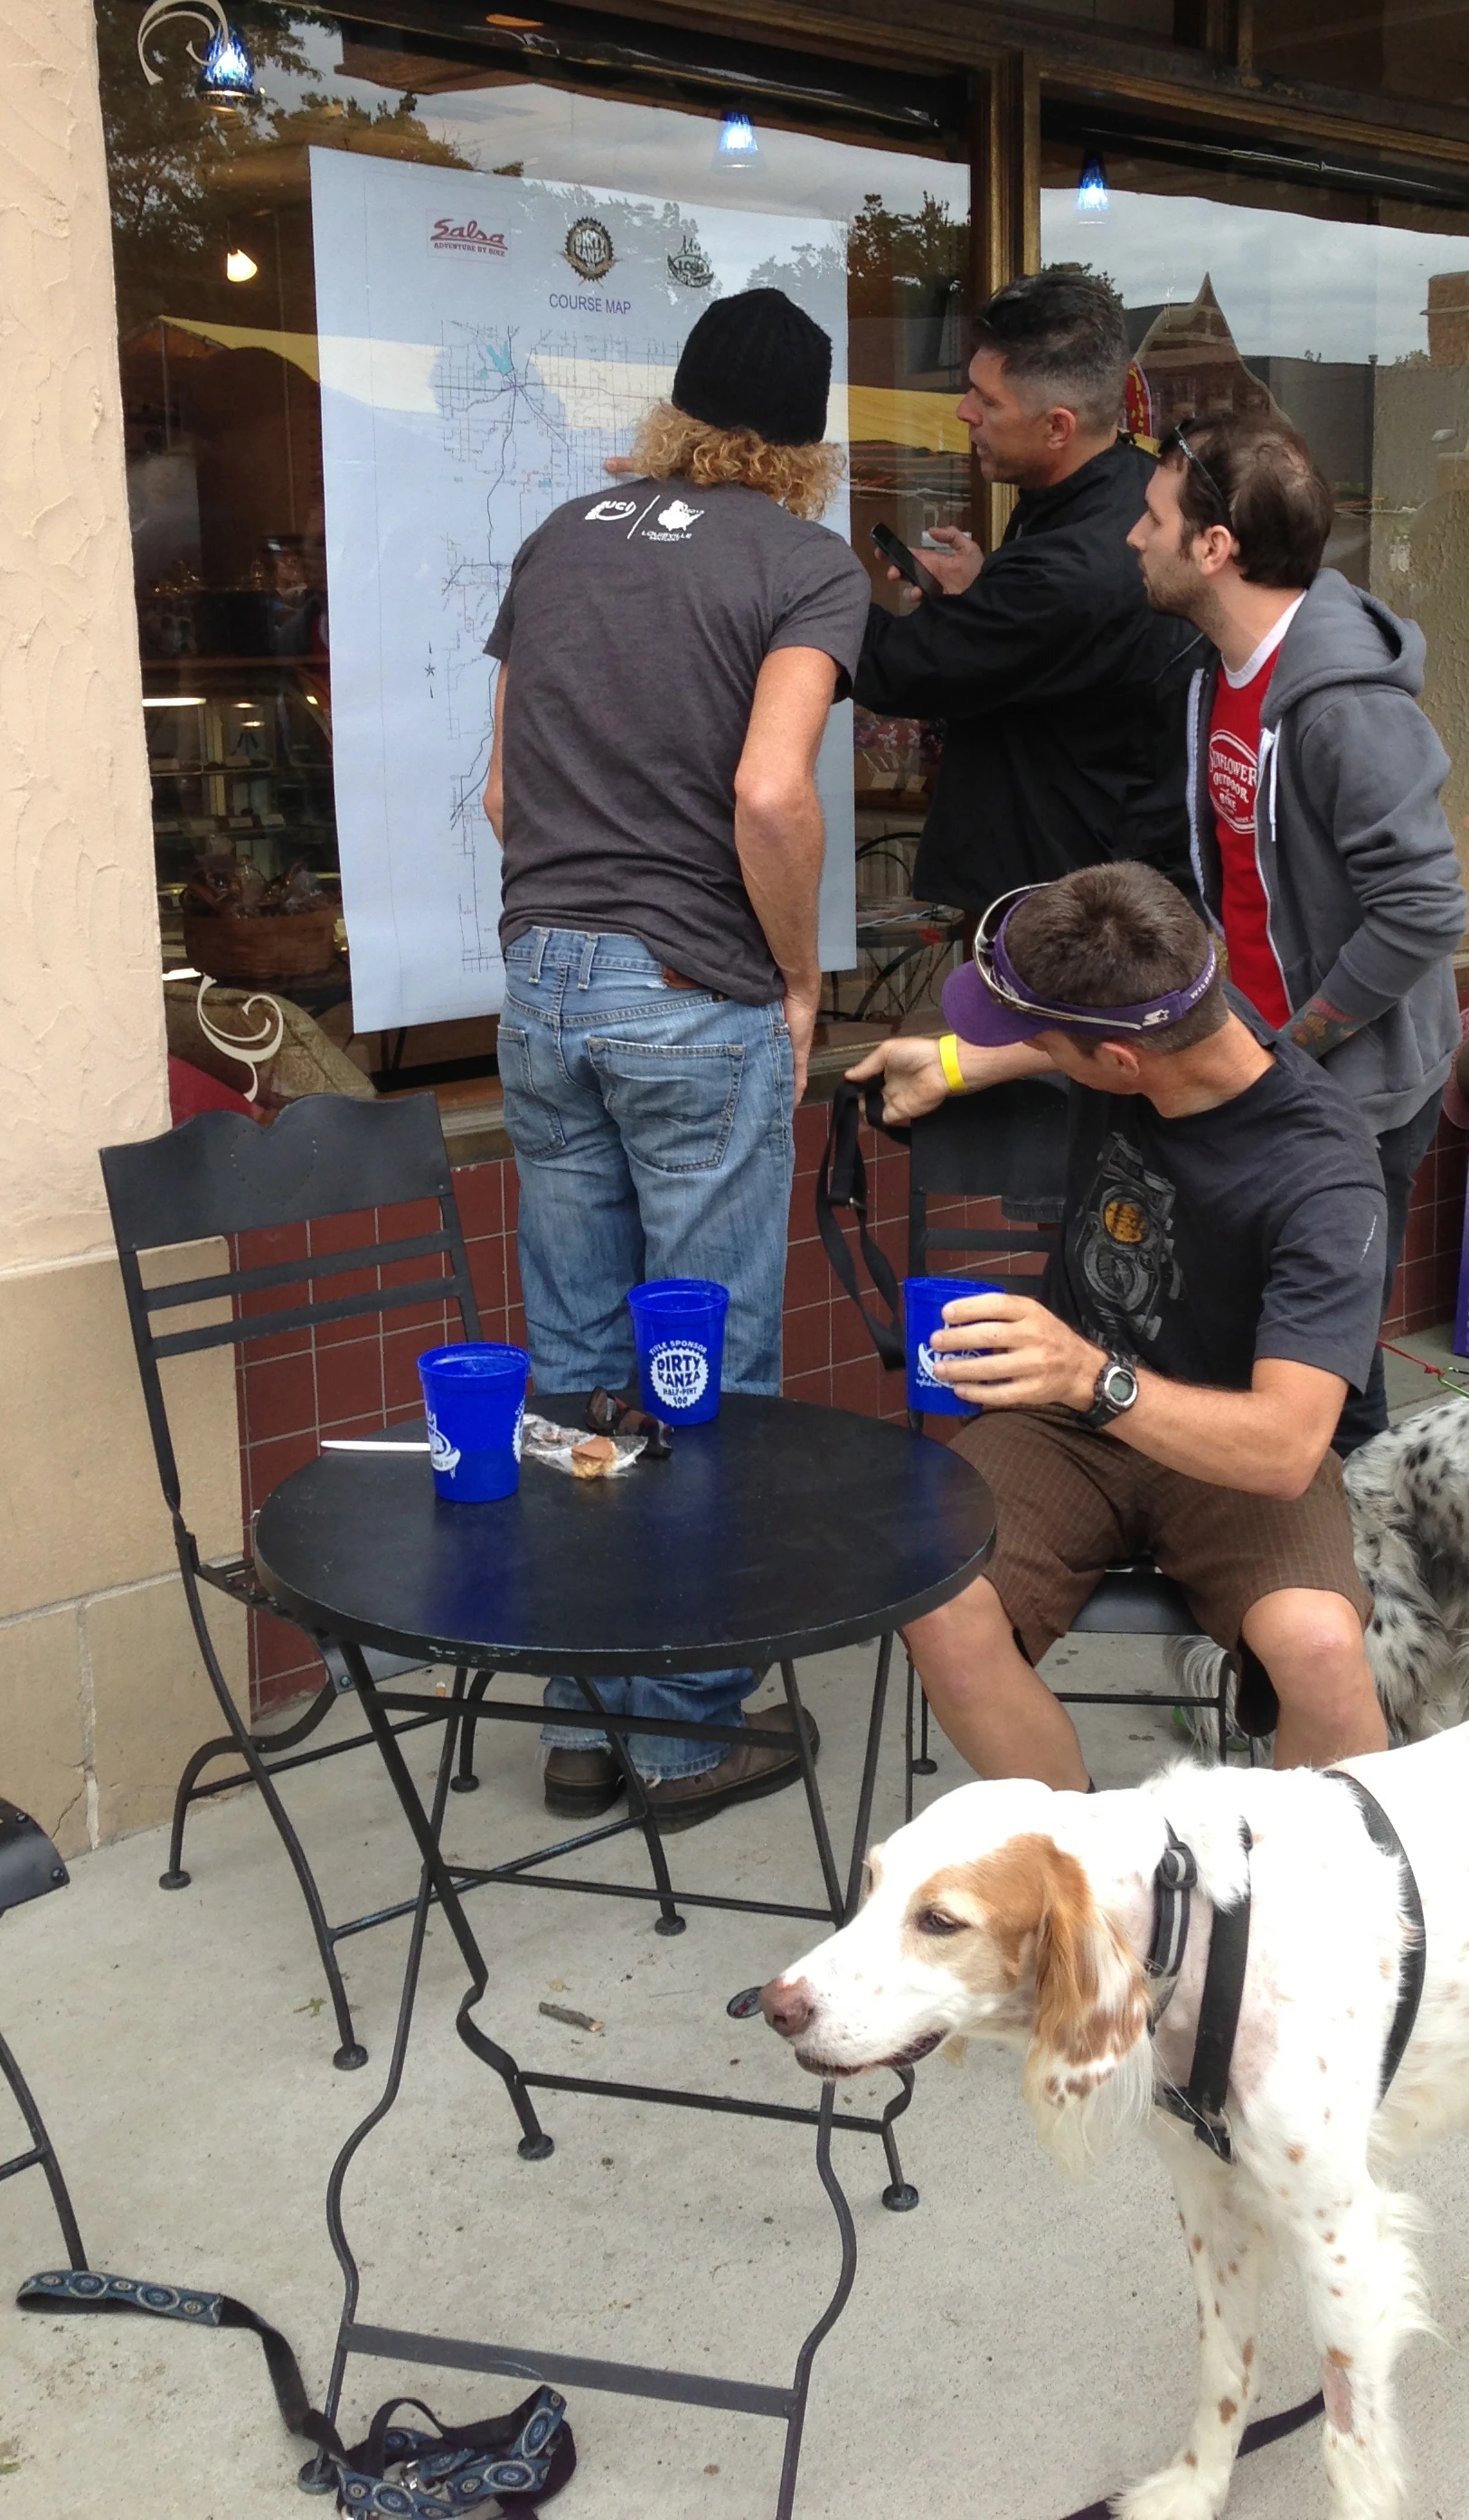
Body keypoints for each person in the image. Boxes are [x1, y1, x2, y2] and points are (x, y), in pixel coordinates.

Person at [482, 287, 867, 1829]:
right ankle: (681, 1732)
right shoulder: (803, 564)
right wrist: (797, 976)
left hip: (540, 982)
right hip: (691, 989)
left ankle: (582, 1717)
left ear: (680, 406)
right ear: (806, 439)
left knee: (575, 1360)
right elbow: (771, 793)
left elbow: (502, 794)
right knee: (702, 1370)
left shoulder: (560, 537)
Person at [848, 862, 1390, 1787]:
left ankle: (1317, 1875)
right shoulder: (1180, 1010)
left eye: (1040, 1036)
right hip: (1060, 1431)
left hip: (1227, 1440)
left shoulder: (1324, 1178)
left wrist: (1087, 1374)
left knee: (1321, 1648)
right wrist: (951, 1063)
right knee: (938, 1601)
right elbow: (1067, 1040)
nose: (1026, 1045)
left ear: (1120, 1065)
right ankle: (1093, 1853)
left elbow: (1285, 1449)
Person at [1134, 409, 1465, 1459]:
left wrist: (1299, 1044)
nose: (1134, 537)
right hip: (1269, 1060)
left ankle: (1356, 1550)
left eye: (1153, 519)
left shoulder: (1342, 706)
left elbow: (1425, 906)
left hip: (1349, 1085)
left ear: (1214, 546)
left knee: (1325, 1364)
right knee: (1257, 1343)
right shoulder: (1221, 673)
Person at [853, 271, 1205, 911]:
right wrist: (986, 593)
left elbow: (893, 668)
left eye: (987, 401)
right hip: (1084, 878)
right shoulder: (1122, 488)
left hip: (1069, 913)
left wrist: (787, 572)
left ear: (1057, 427)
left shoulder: (1071, 568)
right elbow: (1056, 645)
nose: (964, 411)